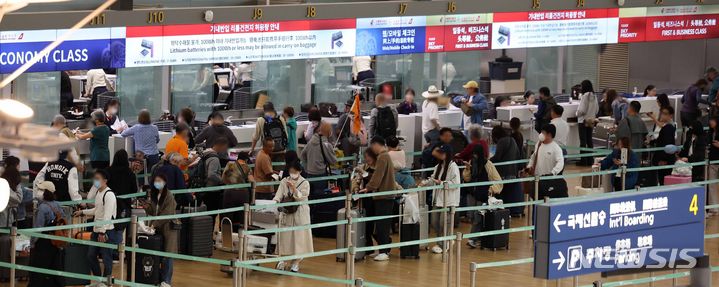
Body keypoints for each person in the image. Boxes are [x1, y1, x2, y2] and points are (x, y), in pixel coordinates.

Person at [75, 170, 120, 287]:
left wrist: (102, 232)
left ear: (105, 180)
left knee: (107, 258)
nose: (95, 181)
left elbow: (108, 215)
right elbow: (97, 210)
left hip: (106, 231)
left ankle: (106, 282)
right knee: (90, 256)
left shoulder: (109, 194)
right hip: (96, 230)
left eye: (97, 178)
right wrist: (83, 212)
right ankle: (100, 281)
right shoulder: (99, 194)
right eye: (94, 178)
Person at [359, 137, 396, 261]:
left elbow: (377, 176)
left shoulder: (382, 157)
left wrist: (368, 187)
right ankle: (382, 249)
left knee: (382, 225)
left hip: (384, 195)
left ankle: (384, 251)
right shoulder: (386, 156)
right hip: (385, 194)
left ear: (375, 144)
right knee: (380, 224)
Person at [272, 162, 313, 272]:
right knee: (285, 239)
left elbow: (301, 196)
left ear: (299, 171)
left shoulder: (305, 183)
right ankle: (282, 261)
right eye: (291, 171)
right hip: (286, 213)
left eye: (295, 172)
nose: (292, 174)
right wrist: (275, 202)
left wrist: (294, 188)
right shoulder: (284, 181)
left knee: (299, 240)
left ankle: (296, 263)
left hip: (300, 214)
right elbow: (278, 194)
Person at [464, 144, 502, 248]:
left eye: (476, 154)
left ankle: (472, 239)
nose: (474, 156)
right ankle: (479, 238)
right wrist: (467, 169)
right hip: (473, 195)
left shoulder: (488, 164)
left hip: (483, 195)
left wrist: (491, 189)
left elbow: (498, 181)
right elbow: (467, 179)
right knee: (473, 217)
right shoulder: (472, 163)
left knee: (477, 217)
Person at [144, 174, 178, 287]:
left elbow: (167, 214)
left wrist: (154, 224)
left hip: (168, 228)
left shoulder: (169, 195)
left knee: (167, 255)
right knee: (157, 253)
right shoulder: (153, 195)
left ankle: (166, 281)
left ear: (164, 182)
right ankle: (157, 278)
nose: (157, 183)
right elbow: (152, 211)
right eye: (155, 181)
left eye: (159, 181)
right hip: (156, 228)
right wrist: (146, 204)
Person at [28, 181, 64, 287]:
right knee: (55, 269)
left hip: (43, 244)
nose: (39, 192)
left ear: (45, 192)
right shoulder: (58, 205)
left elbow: (38, 228)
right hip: (56, 243)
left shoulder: (42, 208)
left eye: (41, 190)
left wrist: (32, 243)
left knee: (37, 272)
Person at [426, 144, 460, 254]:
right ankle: (445, 241)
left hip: (448, 201)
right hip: (437, 200)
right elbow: (433, 179)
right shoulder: (438, 166)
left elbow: (456, 184)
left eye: (442, 153)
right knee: (434, 222)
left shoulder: (453, 167)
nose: (440, 155)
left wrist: (441, 183)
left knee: (444, 223)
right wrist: (424, 183)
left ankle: (444, 244)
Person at [526, 124, 568, 198]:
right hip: (537, 179)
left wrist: (553, 173)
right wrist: (529, 166)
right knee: (535, 200)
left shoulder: (556, 148)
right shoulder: (538, 144)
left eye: (543, 132)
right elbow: (533, 157)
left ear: (549, 134)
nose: (541, 134)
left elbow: (560, 162)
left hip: (548, 181)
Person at [490, 126, 523, 216]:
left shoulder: (502, 141)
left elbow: (497, 157)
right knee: (510, 193)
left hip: (503, 173)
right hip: (513, 172)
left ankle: (502, 212)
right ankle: (513, 211)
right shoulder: (512, 140)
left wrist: (487, 161)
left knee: (502, 193)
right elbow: (518, 155)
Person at [300, 122, 337, 196]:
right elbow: (333, 161)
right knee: (320, 197)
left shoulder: (311, 141)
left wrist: (306, 167)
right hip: (320, 174)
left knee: (310, 196)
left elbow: (302, 154)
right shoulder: (326, 144)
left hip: (309, 174)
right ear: (329, 132)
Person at [106, 150, 136, 227]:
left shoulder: (108, 171)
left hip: (109, 202)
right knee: (122, 227)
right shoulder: (130, 173)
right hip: (125, 204)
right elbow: (134, 190)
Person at [200, 137, 228, 217]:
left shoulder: (206, 155)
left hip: (205, 188)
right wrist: (222, 180)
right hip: (212, 190)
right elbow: (211, 174)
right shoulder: (214, 158)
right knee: (212, 214)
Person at [651, 106, 677, 185]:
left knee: (664, 180)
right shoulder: (667, 127)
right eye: (662, 113)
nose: (662, 115)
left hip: (664, 160)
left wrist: (663, 159)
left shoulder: (669, 127)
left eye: (665, 114)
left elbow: (667, 144)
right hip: (665, 159)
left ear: (670, 116)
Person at [222, 157, 252, 226]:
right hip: (243, 193)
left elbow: (223, 179)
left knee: (228, 216)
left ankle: (227, 234)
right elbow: (252, 180)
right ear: (246, 160)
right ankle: (242, 234)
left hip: (230, 192)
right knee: (242, 217)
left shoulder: (230, 164)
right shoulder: (247, 167)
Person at [576, 80, 599, 165]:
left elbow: (581, 110)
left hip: (583, 121)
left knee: (583, 141)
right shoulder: (594, 96)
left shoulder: (585, 96)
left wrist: (576, 113)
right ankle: (590, 160)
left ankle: (583, 161)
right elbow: (597, 110)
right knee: (589, 141)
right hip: (591, 121)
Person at [708, 116, 719, 216]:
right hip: (713, 161)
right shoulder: (710, 133)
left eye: (713, 120)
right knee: (712, 185)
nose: (710, 122)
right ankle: (713, 208)